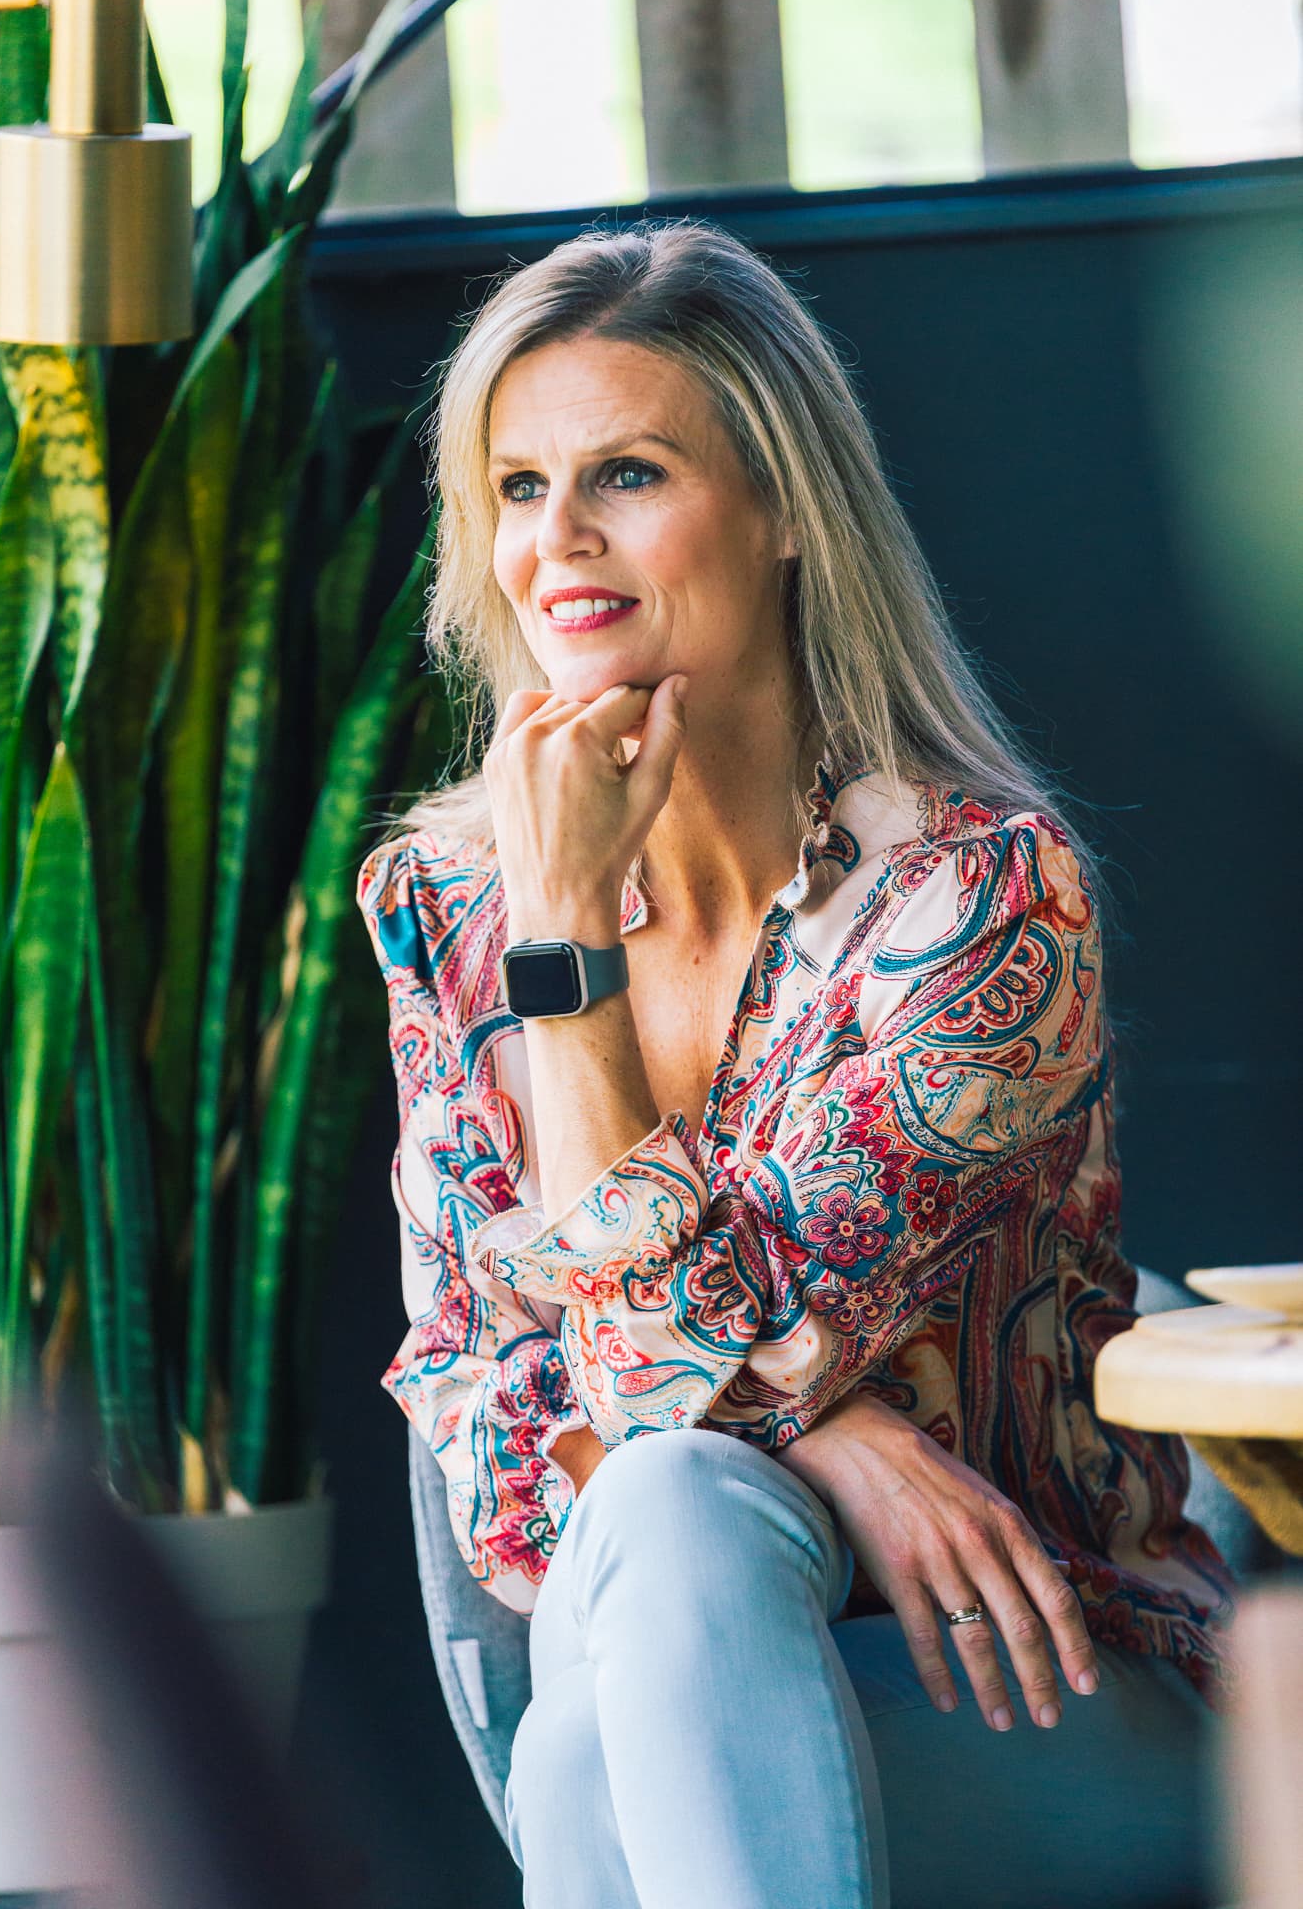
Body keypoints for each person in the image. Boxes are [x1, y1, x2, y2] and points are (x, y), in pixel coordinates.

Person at [355, 218, 1237, 1909]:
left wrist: (566, 957)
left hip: (1031, 1690)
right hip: (668, 1681)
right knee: (672, 1530)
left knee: (591, 1728)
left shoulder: (975, 904)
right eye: (518, 487)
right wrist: (832, 1431)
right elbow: (484, 1423)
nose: (559, 543)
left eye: (624, 472)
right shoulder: (441, 905)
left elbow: (630, 1361)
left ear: (778, 512)